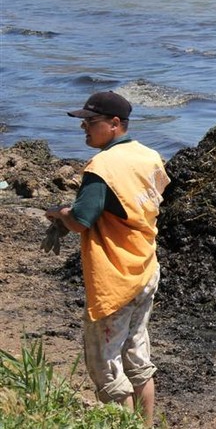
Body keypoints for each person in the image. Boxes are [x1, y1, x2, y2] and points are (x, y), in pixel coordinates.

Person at [45, 91, 170, 427]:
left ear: (115, 124)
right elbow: (150, 197)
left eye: (91, 121)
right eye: (83, 120)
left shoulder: (101, 166)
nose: (84, 126)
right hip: (145, 266)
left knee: (106, 366)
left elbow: (81, 221)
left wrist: (59, 214)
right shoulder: (150, 156)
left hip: (115, 274)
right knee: (138, 356)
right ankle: (146, 425)